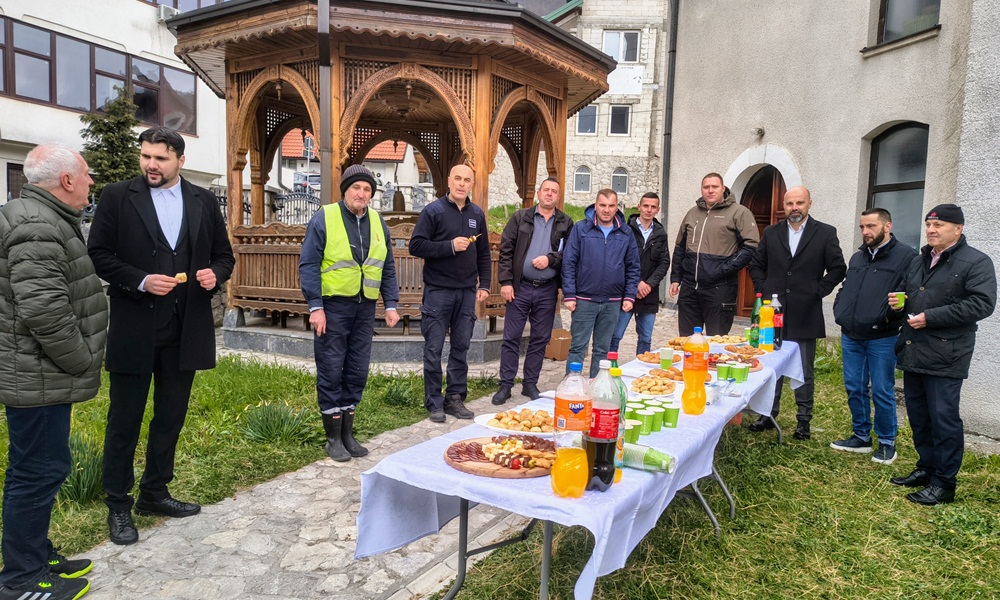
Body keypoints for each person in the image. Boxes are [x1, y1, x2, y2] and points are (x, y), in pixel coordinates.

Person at [88, 127, 235, 546]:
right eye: (146, 156)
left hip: (185, 330)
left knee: (170, 417)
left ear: (180, 161)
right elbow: (98, 253)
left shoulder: (203, 201)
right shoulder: (118, 197)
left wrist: (215, 274)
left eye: (161, 158)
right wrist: (140, 280)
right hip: (134, 329)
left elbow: (224, 255)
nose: (151, 164)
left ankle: (155, 492)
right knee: (124, 421)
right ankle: (118, 504)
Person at [0, 144, 108, 600]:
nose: (89, 183)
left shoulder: (39, 218)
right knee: (36, 471)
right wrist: (82, 360)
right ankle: (21, 579)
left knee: (39, 466)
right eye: (86, 175)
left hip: (38, 372)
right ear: (66, 180)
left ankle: (36, 555)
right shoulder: (37, 226)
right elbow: (44, 311)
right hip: (37, 374)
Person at [888, 204, 996, 505]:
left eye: (940, 226)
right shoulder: (921, 259)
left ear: (957, 229)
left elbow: (982, 304)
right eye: (929, 225)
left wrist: (930, 317)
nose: (932, 230)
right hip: (914, 351)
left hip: (947, 354)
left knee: (944, 418)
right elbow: (916, 293)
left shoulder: (976, 261)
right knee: (920, 417)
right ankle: (926, 468)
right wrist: (900, 303)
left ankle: (944, 483)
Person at [299, 165, 400, 460]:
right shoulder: (325, 217)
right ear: (345, 190)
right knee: (331, 368)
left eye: (367, 189)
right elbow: (308, 264)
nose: (362, 194)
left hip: (365, 307)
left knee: (357, 369)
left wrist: (390, 304)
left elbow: (387, 266)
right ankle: (332, 438)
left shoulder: (378, 222)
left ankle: (347, 434)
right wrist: (315, 307)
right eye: (356, 188)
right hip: (332, 307)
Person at [748, 186, 846, 440]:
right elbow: (756, 265)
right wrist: (763, 289)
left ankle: (804, 420)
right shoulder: (771, 233)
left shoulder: (825, 233)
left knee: (804, 369)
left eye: (799, 203)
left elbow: (838, 268)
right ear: (784, 205)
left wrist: (818, 290)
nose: (795, 208)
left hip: (805, 310)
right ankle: (768, 414)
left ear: (809, 203)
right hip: (773, 313)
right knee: (771, 365)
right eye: (790, 203)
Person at [831, 208, 916, 464]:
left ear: (887, 226)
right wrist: (840, 308)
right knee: (854, 387)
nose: (866, 232)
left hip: (883, 337)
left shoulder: (906, 257)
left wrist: (889, 318)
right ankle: (861, 437)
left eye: (871, 226)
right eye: (862, 227)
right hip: (851, 334)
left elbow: (909, 296)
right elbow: (847, 288)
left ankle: (887, 442)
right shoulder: (858, 257)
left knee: (881, 389)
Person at [409, 163, 491, 423]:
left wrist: (485, 284)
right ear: (448, 181)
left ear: (472, 184)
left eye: (467, 179)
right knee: (433, 349)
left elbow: (484, 253)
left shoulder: (476, 214)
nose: (462, 183)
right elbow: (416, 245)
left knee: (461, 347)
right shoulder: (433, 211)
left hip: (467, 292)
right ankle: (434, 402)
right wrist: (449, 246)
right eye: (458, 178)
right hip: (438, 292)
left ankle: (455, 398)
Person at [493, 178, 573, 405]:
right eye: (546, 190)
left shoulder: (566, 223)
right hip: (520, 288)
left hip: (547, 290)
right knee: (511, 337)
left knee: (540, 339)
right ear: (539, 193)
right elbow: (506, 250)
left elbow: (569, 254)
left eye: (554, 191)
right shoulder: (521, 218)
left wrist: (550, 259)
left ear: (558, 197)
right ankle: (505, 385)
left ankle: (530, 383)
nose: (549, 194)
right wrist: (506, 282)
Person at [561, 189, 640, 378]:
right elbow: (569, 262)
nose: (606, 210)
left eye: (611, 206)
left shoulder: (625, 232)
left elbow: (633, 266)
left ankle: (598, 388)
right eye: (603, 205)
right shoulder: (581, 229)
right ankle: (572, 386)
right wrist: (569, 294)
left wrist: (629, 295)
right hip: (583, 299)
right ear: (595, 206)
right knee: (578, 347)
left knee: (603, 350)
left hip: (612, 301)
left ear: (617, 207)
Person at [669, 173, 759, 335]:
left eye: (714, 187)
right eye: (706, 187)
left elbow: (751, 247)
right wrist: (676, 278)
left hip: (720, 288)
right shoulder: (692, 213)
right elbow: (680, 247)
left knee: (716, 341)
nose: (710, 190)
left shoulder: (738, 212)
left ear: (723, 188)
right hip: (690, 287)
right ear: (702, 189)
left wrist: (723, 270)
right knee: (687, 341)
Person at [610, 192, 670, 356]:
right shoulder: (625, 230)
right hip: (626, 291)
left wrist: (649, 284)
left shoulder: (660, 233)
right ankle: (608, 372)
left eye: (653, 207)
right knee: (615, 336)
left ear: (657, 209)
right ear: (639, 207)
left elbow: (664, 263)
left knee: (645, 339)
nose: (649, 210)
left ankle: (640, 373)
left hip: (649, 294)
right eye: (646, 206)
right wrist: (635, 283)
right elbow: (618, 260)